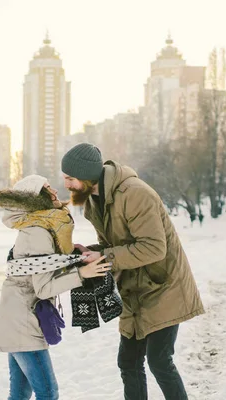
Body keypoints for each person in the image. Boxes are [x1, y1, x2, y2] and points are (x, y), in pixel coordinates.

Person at [61, 143, 205, 400]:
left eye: (70, 179)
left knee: (159, 361)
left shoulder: (136, 194)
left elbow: (153, 248)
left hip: (164, 287)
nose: (67, 185)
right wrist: (88, 251)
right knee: (128, 362)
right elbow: (112, 245)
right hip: (134, 289)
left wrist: (105, 255)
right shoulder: (94, 201)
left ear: (86, 175)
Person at [0, 174, 111, 400]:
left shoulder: (39, 228)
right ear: (37, 198)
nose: (55, 191)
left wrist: (75, 255)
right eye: (47, 188)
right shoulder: (37, 231)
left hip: (17, 318)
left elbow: (44, 264)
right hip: (23, 324)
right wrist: (82, 274)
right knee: (48, 392)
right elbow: (44, 288)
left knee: (20, 394)